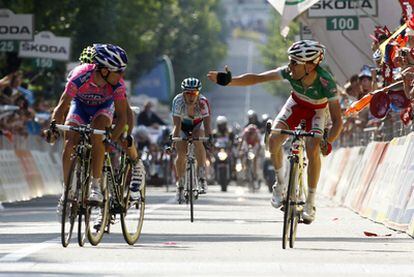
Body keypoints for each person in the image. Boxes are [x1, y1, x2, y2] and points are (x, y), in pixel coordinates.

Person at [208, 40, 343, 224]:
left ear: (310, 66)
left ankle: (310, 200)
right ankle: (280, 185)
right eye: (290, 61)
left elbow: (337, 121)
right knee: (273, 139)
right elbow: (257, 78)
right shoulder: (289, 72)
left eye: (295, 62)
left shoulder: (326, 82)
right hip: (295, 104)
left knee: (313, 147)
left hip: (317, 111)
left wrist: (329, 141)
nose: (290, 66)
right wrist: (229, 81)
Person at [44, 43, 143, 205]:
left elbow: (123, 117)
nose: (122, 74)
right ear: (104, 70)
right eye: (119, 71)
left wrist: (110, 140)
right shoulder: (79, 77)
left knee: (99, 135)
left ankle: (95, 185)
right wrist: (53, 127)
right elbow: (61, 108)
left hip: (103, 108)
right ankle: (67, 190)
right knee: (69, 142)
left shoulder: (118, 85)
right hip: (80, 107)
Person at [171, 77, 213, 202]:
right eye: (187, 93)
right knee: (181, 153)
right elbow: (176, 126)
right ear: (183, 93)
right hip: (182, 126)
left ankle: (201, 178)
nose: (191, 96)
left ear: (198, 93)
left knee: (198, 140)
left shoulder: (203, 102)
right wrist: (174, 140)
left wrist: (209, 138)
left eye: (193, 93)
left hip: (197, 125)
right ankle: (180, 183)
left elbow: (207, 125)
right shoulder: (178, 101)